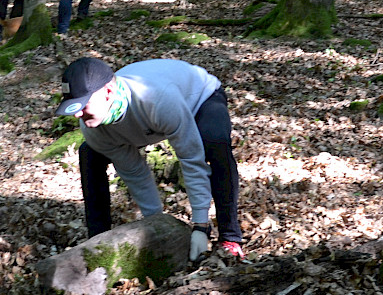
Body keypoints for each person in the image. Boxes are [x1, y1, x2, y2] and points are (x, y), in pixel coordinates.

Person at [54, 57, 244, 260]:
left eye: (83, 105)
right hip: (143, 124)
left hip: (199, 99)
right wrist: (157, 224)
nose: (77, 115)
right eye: (74, 106)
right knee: (89, 153)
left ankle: (230, 236)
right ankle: (99, 242)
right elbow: (135, 173)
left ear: (108, 92)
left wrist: (201, 225)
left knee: (215, 144)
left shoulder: (157, 99)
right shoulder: (92, 126)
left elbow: (191, 159)